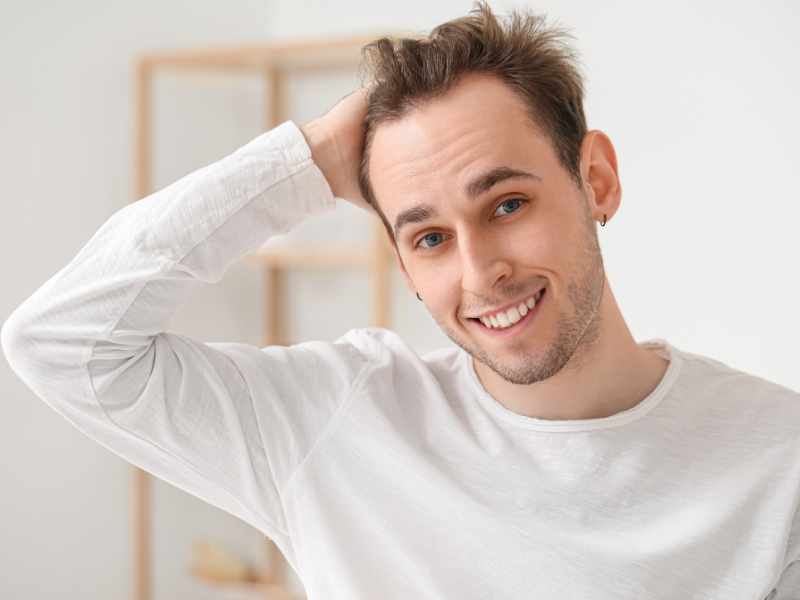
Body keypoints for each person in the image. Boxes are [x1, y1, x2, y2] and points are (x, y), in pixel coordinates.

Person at [2, 4, 798, 599]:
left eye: (507, 205)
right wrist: (306, 160)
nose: (481, 273)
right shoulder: (336, 423)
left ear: (596, 180)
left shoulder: (776, 456)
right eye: (429, 238)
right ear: (402, 263)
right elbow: (61, 342)